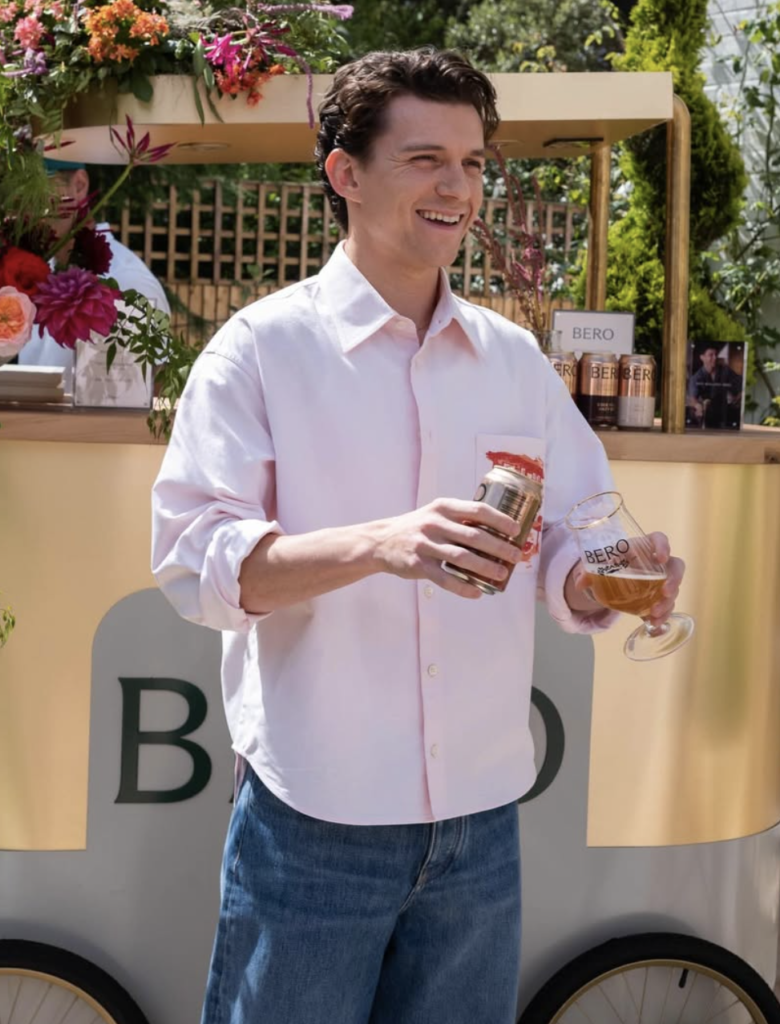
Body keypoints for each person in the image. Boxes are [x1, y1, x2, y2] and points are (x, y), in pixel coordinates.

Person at [151, 48, 686, 1024]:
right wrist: (381, 543)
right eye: (426, 158)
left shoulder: (513, 360)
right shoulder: (259, 352)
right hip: (314, 818)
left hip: (478, 827)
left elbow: (569, 540)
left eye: (474, 162)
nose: (457, 186)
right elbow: (201, 570)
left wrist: (606, 576)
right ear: (345, 173)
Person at [19, 160, 170, 388]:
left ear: (79, 186)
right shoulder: (39, 272)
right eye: (19, 192)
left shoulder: (128, 282)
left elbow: (153, 400)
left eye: (38, 188)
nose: (23, 207)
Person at [686, 343, 743, 429]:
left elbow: (740, 384)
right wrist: (698, 406)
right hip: (706, 417)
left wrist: (738, 397)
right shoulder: (696, 378)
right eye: (711, 355)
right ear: (702, 358)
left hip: (726, 415)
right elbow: (692, 398)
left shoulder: (725, 370)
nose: (715, 358)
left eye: (716, 354)